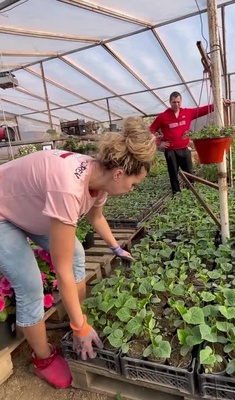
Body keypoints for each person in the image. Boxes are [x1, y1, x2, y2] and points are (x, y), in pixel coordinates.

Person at [0, 117, 156, 389]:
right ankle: (43, 359)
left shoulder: (101, 178)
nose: (133, 190)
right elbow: (61, 270)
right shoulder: (69, 188)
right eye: (134, 184)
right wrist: (79, 327)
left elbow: (97, 218)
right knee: (30, 286)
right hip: (3, 213)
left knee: (76, 255)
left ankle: (78, 318)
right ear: (119, 174)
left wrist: (116, 247)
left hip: (29, 208)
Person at [149, 91, 214, 194]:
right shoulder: (163, 116)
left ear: (181, 101)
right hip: (171, 151)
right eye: (174, 102)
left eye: (178, 102)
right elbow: (151, 129)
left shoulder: (187, 113)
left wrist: (219, 104)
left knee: (189, 172)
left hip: (184, 149)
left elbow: (202, 110)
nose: (176, 104)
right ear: (170, 102)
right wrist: (159, 142)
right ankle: (176, 193)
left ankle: (191, 192)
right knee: (173, 173)